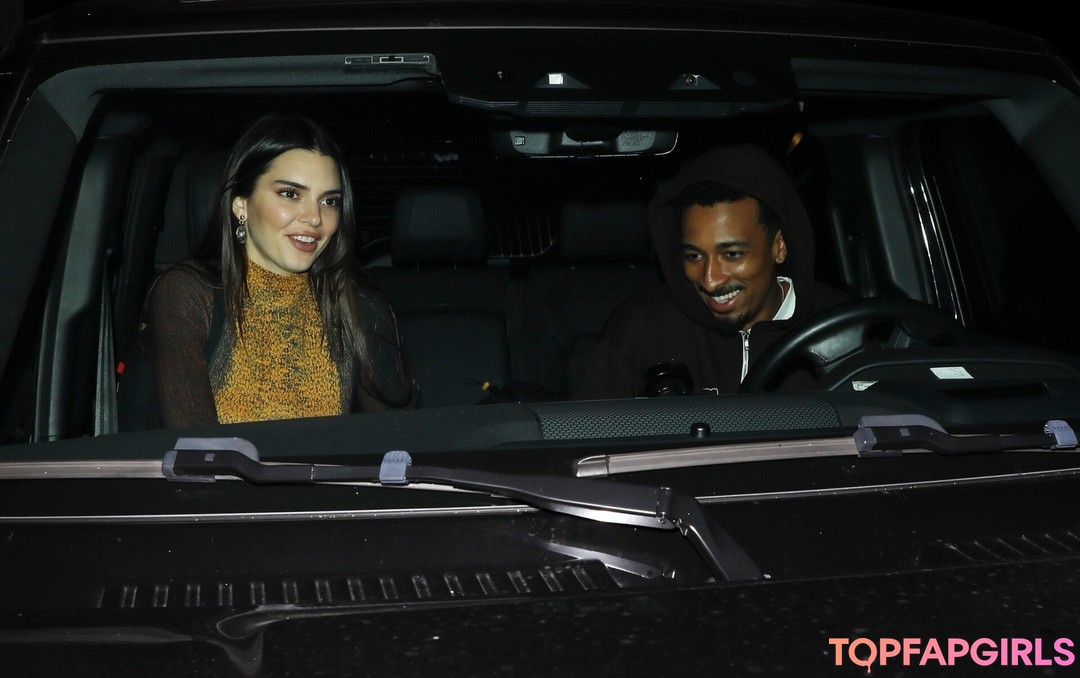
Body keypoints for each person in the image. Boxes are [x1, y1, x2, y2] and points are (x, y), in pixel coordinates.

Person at [148, 113, 412, 427]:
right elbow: (194, 444)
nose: (314, 217)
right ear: (241, 204)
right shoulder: (188, 293)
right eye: (290, 194)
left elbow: (394, 441)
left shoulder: (359, 306)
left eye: (329, 201)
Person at [574, 143, 847, 398]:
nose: (710, 279)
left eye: (732, 254)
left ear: (780, 246)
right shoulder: (645, 326)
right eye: (694, 256)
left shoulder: (842, 328)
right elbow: (588, 428)